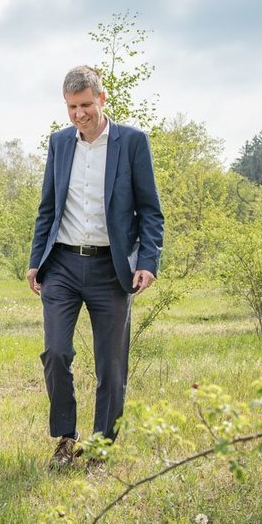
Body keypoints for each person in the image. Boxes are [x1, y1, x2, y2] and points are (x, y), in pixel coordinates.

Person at [27, 65, 164, 469]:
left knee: (111, 366)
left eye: (85, 104)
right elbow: (48, 207)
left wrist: (148, 261)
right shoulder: (59, 144)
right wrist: (36, 261)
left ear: (102, 99)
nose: (79, 114)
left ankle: (102, 448)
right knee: (55, 351)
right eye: (71, 107)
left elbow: (151, 212)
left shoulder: (133, 142)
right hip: (63, 265)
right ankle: (66, 438)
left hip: (111, 269)